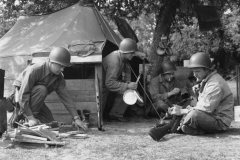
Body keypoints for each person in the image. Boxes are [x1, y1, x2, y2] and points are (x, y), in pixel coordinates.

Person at [7, 47, 88, 131]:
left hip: (35, 103)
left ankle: (32, 121)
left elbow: (66, 98)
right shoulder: (34, 70)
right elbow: (23, 95)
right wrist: (30, 117)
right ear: (51, 61)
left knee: (51, 124)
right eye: (60, 66)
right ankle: (24, 120)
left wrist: (76, 119)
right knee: (41, 89)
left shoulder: (59, 78)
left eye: (64, 67)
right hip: (20, 101)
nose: (62, 69)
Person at [171, 52, 234, 135]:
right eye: (193, 71)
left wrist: (182, 111)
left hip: (220, 121)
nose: (195, 74)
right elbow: (197, 100)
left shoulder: (215, 84)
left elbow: (205, 109)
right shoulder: (206, 81)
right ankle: (186, 127)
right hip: (210, 117)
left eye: (197, 71)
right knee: (187, 118)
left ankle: (189, 127)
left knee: (193, 115)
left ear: (207, 69)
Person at [102, 38, 146, 122]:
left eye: (134, 53)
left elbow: (126, 70)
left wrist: (128, 84)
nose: (133, 55)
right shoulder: (114, 61)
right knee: (97, 114)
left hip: (106, 83)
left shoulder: (122, 56)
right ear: (125, 52)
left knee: (128, 90)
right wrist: (127, 85)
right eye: (132, 53)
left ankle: (115, 115)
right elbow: (109, 83)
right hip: (99, 85)